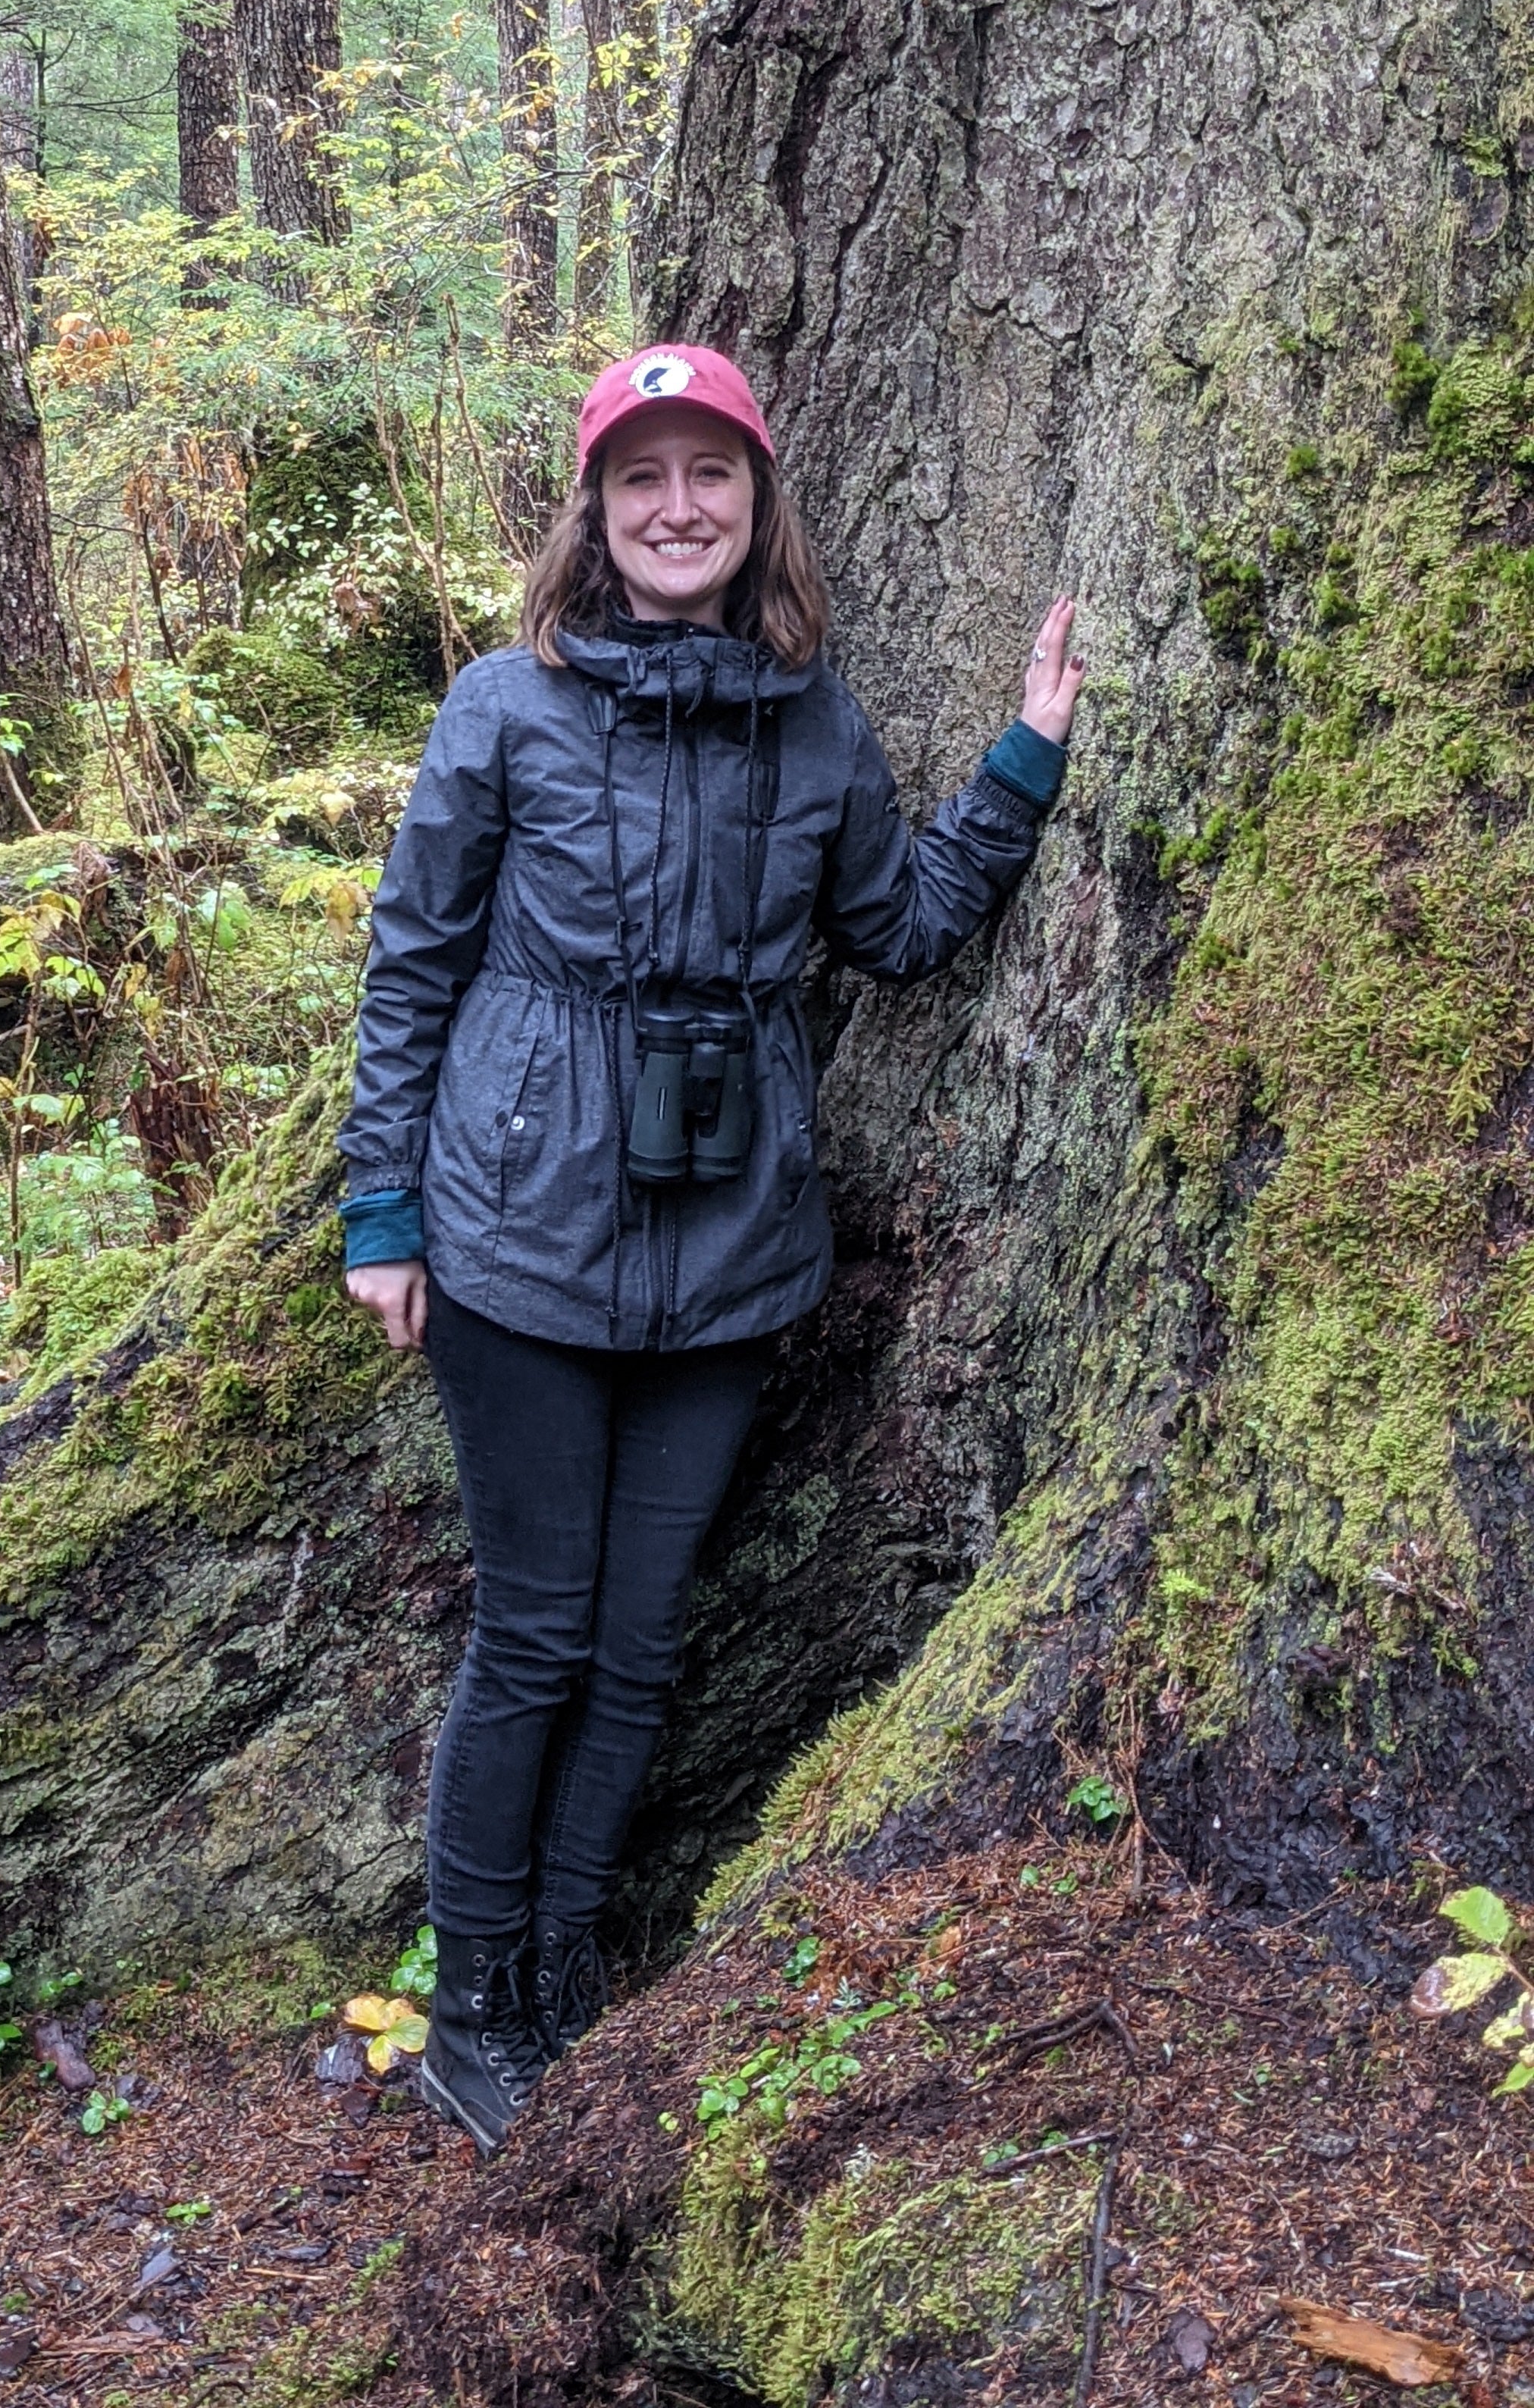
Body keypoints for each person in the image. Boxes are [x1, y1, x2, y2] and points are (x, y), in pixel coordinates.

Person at [336, 343, 1085, 2154]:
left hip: (732, 1248)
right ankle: (475, 2005)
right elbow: (414, 959)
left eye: (713, 478)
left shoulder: (811, 722)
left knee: (647, 1642)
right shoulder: (504, 706)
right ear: (595, 511)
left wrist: (1024, 762)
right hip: (513, 1241)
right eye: (643, 477)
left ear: (759, 509)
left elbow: (900, 933)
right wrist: (382, 1209)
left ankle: (574, 1962)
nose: (679, 508)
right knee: (534, 1640)